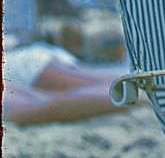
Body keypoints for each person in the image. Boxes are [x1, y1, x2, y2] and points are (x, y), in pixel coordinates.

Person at [3, 40, 133, 125]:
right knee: (112, 81)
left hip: (20, 65)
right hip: (21, 60)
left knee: (36, 107)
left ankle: (140, 95)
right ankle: (140, 93)